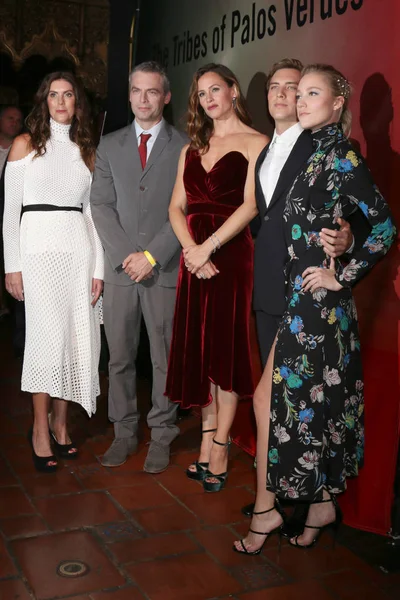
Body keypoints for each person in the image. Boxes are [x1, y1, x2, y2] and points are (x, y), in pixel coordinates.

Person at [234, 63, 396, 554]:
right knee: (299, 403)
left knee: (266, 400)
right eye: (298, 93)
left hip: (315, 303)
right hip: (294, 297)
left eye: (312, 93)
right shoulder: (313, 154)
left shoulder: (342, 155)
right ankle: (321, 504)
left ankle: (265, 512)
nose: (301, 101)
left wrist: (341, 274)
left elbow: (384, 227)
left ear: (337, 103)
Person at [166, 63, 268, 492]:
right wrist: (192, 250)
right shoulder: (191, 147)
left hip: (230, 255)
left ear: (233, 90)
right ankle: (206, 441)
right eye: (201, 93)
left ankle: (222, 445)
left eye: (215, 90)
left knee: (224, 349)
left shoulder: (257, 143)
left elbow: (251, 205)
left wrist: (209, 247)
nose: (208, 99)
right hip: (194, 257)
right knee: (202, 350)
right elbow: (176, 208)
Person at [3, 72, 104, 472]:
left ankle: (61, 425)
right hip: (38, 254)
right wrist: (12, 266)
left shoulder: (86, 150)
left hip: (78, 252)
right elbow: (10, 214)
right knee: (45, 343)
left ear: (78, 103)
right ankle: (39, 430)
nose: (61, 102)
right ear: (44, 101)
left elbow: (91, 214)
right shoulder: (25, 144)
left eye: (68, 95)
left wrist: (98, 268)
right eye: (54, 95)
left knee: (74, 340)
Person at [90, 61, 186, 473]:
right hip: (120, 271)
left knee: (164, 357)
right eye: (136, 90)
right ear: (128, 95)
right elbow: (100, 205)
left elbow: (187, 208)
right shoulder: (109, 145)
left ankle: (162, 434)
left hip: (163, 269)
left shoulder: (185, 145)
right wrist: (127, 256)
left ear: (166, 96)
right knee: (120, 357)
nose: (143, 99)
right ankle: (124, 432)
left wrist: (151, 256)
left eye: (152, 91)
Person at [0, 106, 23, 319]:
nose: (14, 122)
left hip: (12, 217)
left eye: (18, 119)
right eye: (10, 118)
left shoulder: (24, 148)